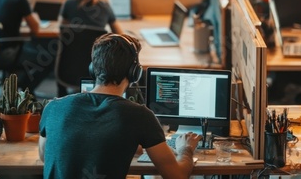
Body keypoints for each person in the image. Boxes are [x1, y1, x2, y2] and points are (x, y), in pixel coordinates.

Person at [39, 33, 202, 179]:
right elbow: (177, 176)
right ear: (135, 72)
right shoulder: (139, 116)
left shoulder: (53, 107)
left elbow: (44, 155)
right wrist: (185, 149)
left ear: (93, 69)